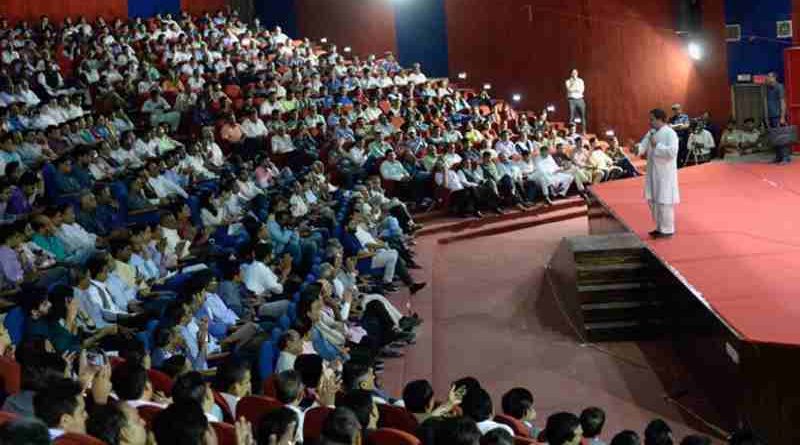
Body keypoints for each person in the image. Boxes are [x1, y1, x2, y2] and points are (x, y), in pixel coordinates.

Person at [637, 108, 680, 238]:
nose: (649, 122)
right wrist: (637, 149)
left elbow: (672, 152)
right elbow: (643, 146)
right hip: (652, 172)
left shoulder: (670, 133)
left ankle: (667, 229)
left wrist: (657, 146)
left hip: (665, 174)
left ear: (660, 119)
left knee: (664, 201)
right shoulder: (651, 133)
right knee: (653, 200)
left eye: (652, 119)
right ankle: (659, 226)